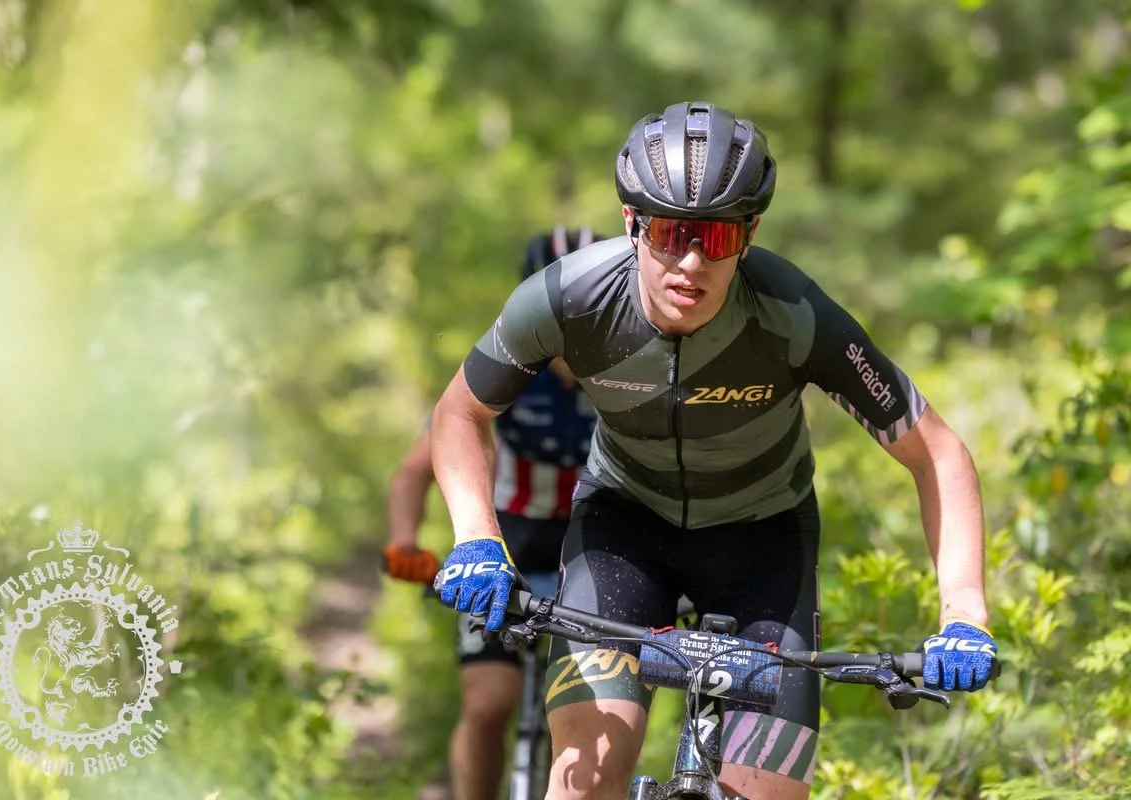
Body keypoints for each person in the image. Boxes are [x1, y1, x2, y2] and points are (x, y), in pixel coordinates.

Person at [427, 101, 999, 800]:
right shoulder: (567, 298)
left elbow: (936, 452)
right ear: (632, 224)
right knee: (583, 780)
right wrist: (477, 541)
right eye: (669, 233)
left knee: (766, 792)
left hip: (764, 545)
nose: (691, 264)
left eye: (719, 239)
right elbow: (461, 412)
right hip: (621, 534)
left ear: (751, 233)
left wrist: (964, 615)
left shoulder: (794, 314)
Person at [383, 226, 605, 800]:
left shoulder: (627, 371)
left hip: (591, 561)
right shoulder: (505, 366)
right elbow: (414, 469)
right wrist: (404, 543)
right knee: (489, 703)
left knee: (581, 725)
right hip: (503, 551)